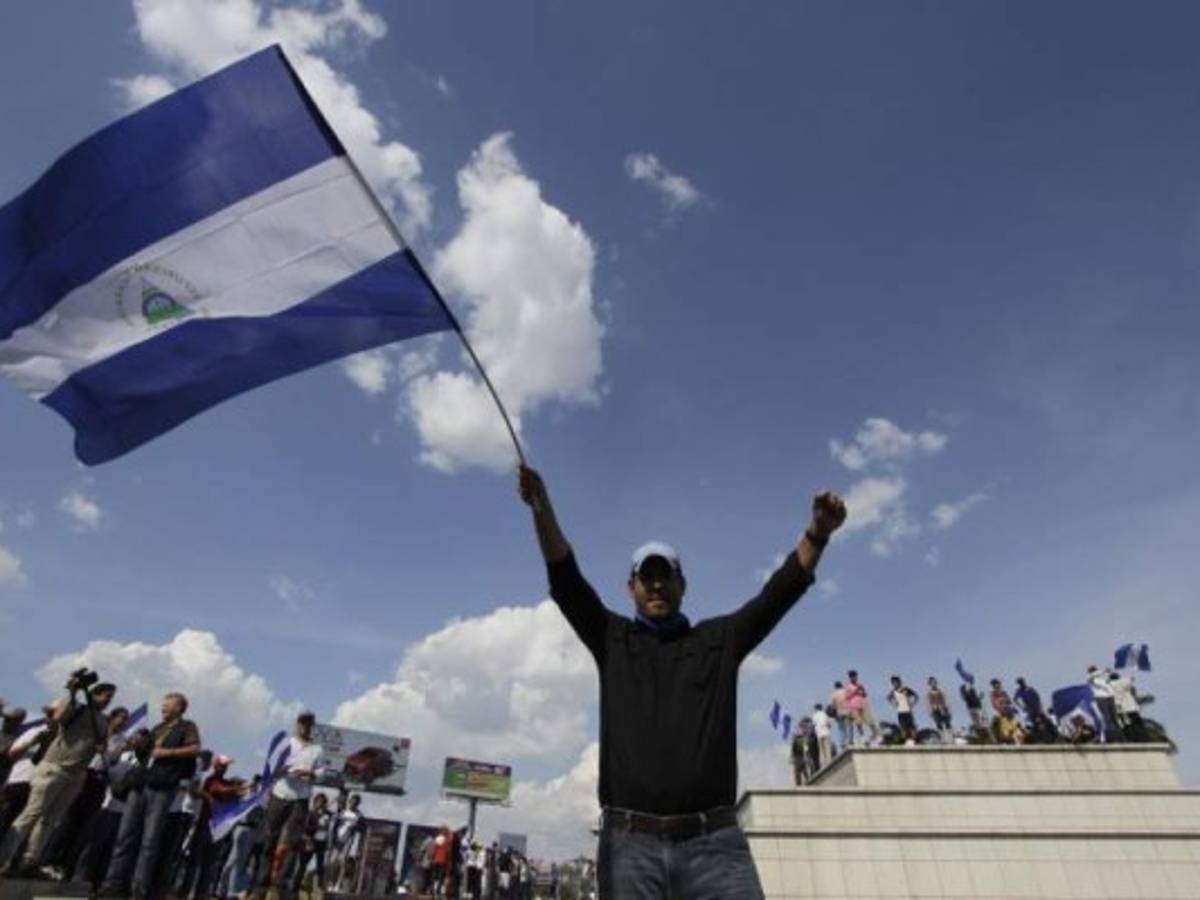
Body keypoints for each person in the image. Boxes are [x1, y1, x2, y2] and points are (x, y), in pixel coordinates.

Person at [518, 464, 846, 899]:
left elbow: (778, 595)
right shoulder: (612, 638)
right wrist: (541, 506)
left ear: (682, 585)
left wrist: (818, 533)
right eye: (646, 577)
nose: (656, 585)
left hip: (715, 847)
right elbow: (565, 577)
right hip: (630, 848)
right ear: (630, 586)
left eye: (665, 576)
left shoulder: (719, 641)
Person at [0, 678, 115, 877]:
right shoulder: (77, 707)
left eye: (110, 698)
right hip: (55, 767)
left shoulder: (103, 720)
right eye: (105, 696)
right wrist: (73, 692)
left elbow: (102, 744)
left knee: (50, 820)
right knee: (31, 814)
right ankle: (5, 858)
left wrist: (101, 746)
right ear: (95, 693)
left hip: (77, 774)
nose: (107, 701)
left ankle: (30, 861)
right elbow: (58, 718)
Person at [101, 691, 202, 900]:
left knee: (149, 842)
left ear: (178, 708)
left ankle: (139, 890)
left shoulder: (187, 727)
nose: (163, 708)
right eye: (163, 704)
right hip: (140, 784)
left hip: (162, 788)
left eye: (167, 705)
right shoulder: (156, 729)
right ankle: (113, 884)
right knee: (125, 836)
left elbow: (195, 749)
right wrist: (138, 746)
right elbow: (144, 755)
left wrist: (168, 753)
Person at [254, 711, 323, 897]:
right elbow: (272, 766)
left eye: (309, 724)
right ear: (297, 724)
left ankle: (281, 888)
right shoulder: (285, 743)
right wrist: (291, 771)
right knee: (269, 840)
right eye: (302, 723)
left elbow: (322, 770)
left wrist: (312, 774)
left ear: (312, 726)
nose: (305, 727)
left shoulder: (317, 749)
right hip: (280, 794)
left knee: (292, 844)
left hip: (301, 799)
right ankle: (261, 886)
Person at [292, 792, 331, 894]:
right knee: (302, 865)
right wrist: (309, 840)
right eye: (319, 802)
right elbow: (305, 828)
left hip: (321, 843)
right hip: (309, 841)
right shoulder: (311, 814)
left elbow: (332, 824)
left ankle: (318, 886)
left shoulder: (328, 815)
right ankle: (295, 887)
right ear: (315, 803)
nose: (321, 804)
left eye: (323, 802)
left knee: (320, 865)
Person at [1108, 672, 1147, 743]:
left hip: (1120, 709)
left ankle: (1129, 739)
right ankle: (1142, 739)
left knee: (1126, 726)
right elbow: (1131, 678)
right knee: (1138, 724)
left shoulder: (1109, 686)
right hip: (1131, 708)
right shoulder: (1122, 682)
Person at [1087, 665, 1121, 741]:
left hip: (1110, 697)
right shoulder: (1090, 679)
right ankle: (1111, 736)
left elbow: (1109, 686)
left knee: (1114, 717)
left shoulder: (1102, 679)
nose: (1094, 671)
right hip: (1100, 698)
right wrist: (1103, 671)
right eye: (1092, 670)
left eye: (1095, 669)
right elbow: (1093, 676)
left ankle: (1119, 736)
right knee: (1107, 717)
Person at [845, 671, 880, 744]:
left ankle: (876, 735)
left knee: (870, 720)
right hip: (854, 706)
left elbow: (865, 695)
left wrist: (862, 691)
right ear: (850, 678)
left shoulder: (860, 685)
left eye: (854, 676)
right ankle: (863, 736)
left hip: (863, 704)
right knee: (858, 722)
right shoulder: (848, 686)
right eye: (851, 676)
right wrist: (855, 690)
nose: (853, 678)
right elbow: (847, 697)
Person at [886, 676, 919, 744]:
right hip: (900, 711)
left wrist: (912, 703)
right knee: (903, 726)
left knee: (911, 726)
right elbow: (888, 698)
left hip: (908, 710)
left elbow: (916, 696)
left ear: (899, 682)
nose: (895, 684)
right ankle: (906, 740)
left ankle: (914, 740)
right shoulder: (893, 692)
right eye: (893, 683)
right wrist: (894, 703)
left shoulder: (905, 689)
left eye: (896, 682)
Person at [926, 677, 953, 742]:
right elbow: (929, 703)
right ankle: (943, 738)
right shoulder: (929, 693)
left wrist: (949, 709)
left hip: (943, 708)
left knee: (947, 723)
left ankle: (950, 738)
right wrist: (930, 711)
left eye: (934, 682)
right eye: (931, 682)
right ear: (929, 684)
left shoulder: (941, 690)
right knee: (938, 724)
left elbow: (946, 699)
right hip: (935, 710)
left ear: (936, 682)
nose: (933, 684)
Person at [830, 681, 852, 749]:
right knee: (848, 727)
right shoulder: (846, 692)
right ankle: (850, 741)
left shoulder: (834, 694)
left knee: (841, 729)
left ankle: (842, 743)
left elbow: (833, 706)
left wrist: (834, 714)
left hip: (839, 713)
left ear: (835, 687)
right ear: (841, 685)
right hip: (848, 711)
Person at [811, 703, 833, 769]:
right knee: (827, 748)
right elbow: (829, 724)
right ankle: (829, 761)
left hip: (819, 734)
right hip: (826, 732)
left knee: (821, 749)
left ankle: (823, 763)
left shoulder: (814, 716)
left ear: (816, 709)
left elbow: (813, 724)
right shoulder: (825, 714)